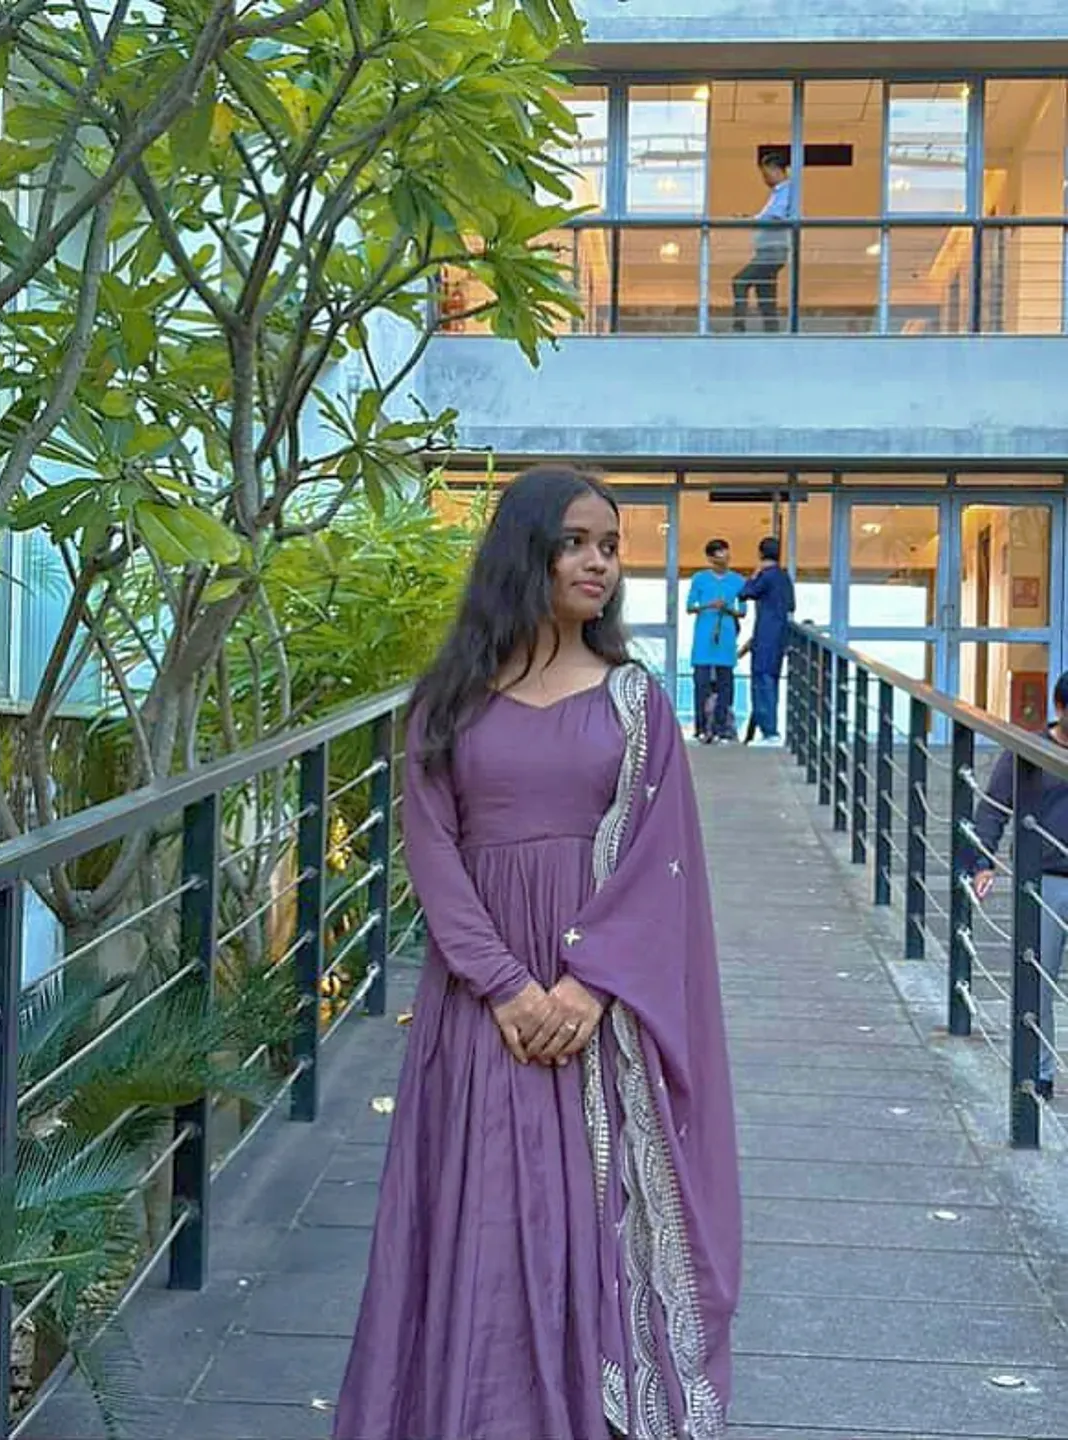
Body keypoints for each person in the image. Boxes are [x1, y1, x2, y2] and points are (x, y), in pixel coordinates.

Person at [332, 467, 740, 1440]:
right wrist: (508, 989)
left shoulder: (636, 703)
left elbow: (661, 859)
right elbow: (433, 854)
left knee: (582, 1217)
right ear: (527, 553)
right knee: (480, 1212)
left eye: (611, 547)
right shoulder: (449, 702)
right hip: (482, 1004)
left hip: (599, 1009)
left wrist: (586, 988)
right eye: (576, 543)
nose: (600, 563)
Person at [965, 670, 1068, 1101]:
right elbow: (993, 808)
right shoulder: (1029, 751)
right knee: (1037, 981)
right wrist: (982, 862)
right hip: (1045, 879)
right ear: (1060, 709)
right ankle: (1039, 1073)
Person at [687, 538, 747, 744]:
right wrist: (709, 605)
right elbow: (690, 607)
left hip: (726, 639)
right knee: (701, 685)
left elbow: (743, 612)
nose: (725, 556)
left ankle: (722, 728)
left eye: (726, 552)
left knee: (725, 686)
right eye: (720, 553)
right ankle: (701, 728)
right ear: (711, 558)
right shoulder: (699, 579)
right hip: (703, 639)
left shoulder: (738, 581)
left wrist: (727, 609)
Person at [738, 535, 795, 748]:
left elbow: (745, 592)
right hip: (780, 636)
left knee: (762, 682)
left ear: (761, 554)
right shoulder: (784, 577)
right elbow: (791, 604)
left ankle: (769, 731)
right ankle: (768, 730)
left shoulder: (766, 575)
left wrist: (754, 574)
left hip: (765, 636)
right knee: (771, 680)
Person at [732, 153, 794, 333]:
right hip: (768, 250)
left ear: (776, 170)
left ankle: (738, 327)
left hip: (772, 250)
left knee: (740, 281)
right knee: (765, 293)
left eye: (766, 174)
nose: (764, 179)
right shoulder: (778, 193)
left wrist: (751, 221)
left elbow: (775, 217)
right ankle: (771, 331)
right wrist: (750, 218)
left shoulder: (785, 191)